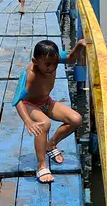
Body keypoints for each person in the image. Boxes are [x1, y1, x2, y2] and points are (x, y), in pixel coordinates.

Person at [12, 39, 88, 183]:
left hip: (46, 102)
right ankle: (41, 165)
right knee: (44, 123)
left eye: (55, 63)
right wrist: (28, 122)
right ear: (35, 61)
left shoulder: (53, 59)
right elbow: (17, 100)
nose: (52, 68)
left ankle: (51, 144)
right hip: (30, 104)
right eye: (47, 64)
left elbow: (71, 58)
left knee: (76, 120)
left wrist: (78, 45)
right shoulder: (30, 74)